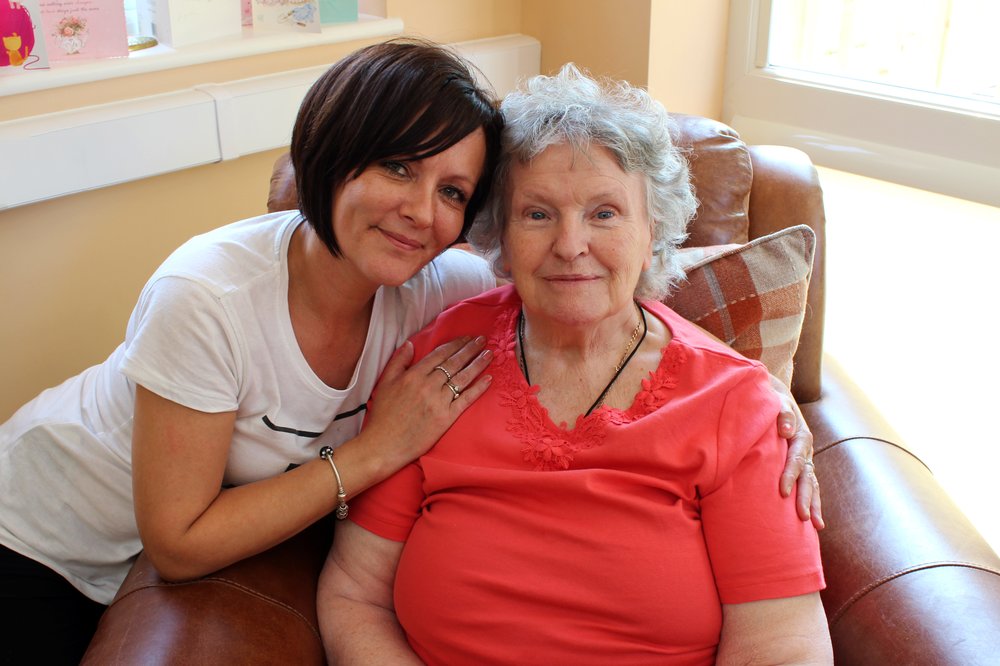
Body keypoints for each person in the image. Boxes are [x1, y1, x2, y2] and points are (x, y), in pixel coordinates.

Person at [0, 39, 503, 664]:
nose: (422, 213)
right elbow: (178, 544)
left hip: (139, 561)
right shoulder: (207, 296)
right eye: (398, 167)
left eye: (453, 192)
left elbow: (557, 278)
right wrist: (375, 453)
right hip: (38, 539)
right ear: (333, 153)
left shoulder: (439, 290)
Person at [316, 64, 833, 664]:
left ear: (652, 232)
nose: (570, 245)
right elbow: (355, 597)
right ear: (500, 239)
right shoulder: (441, 359)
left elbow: (783, 645)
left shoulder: (736, 406)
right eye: (537, 214)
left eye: (605, 213)